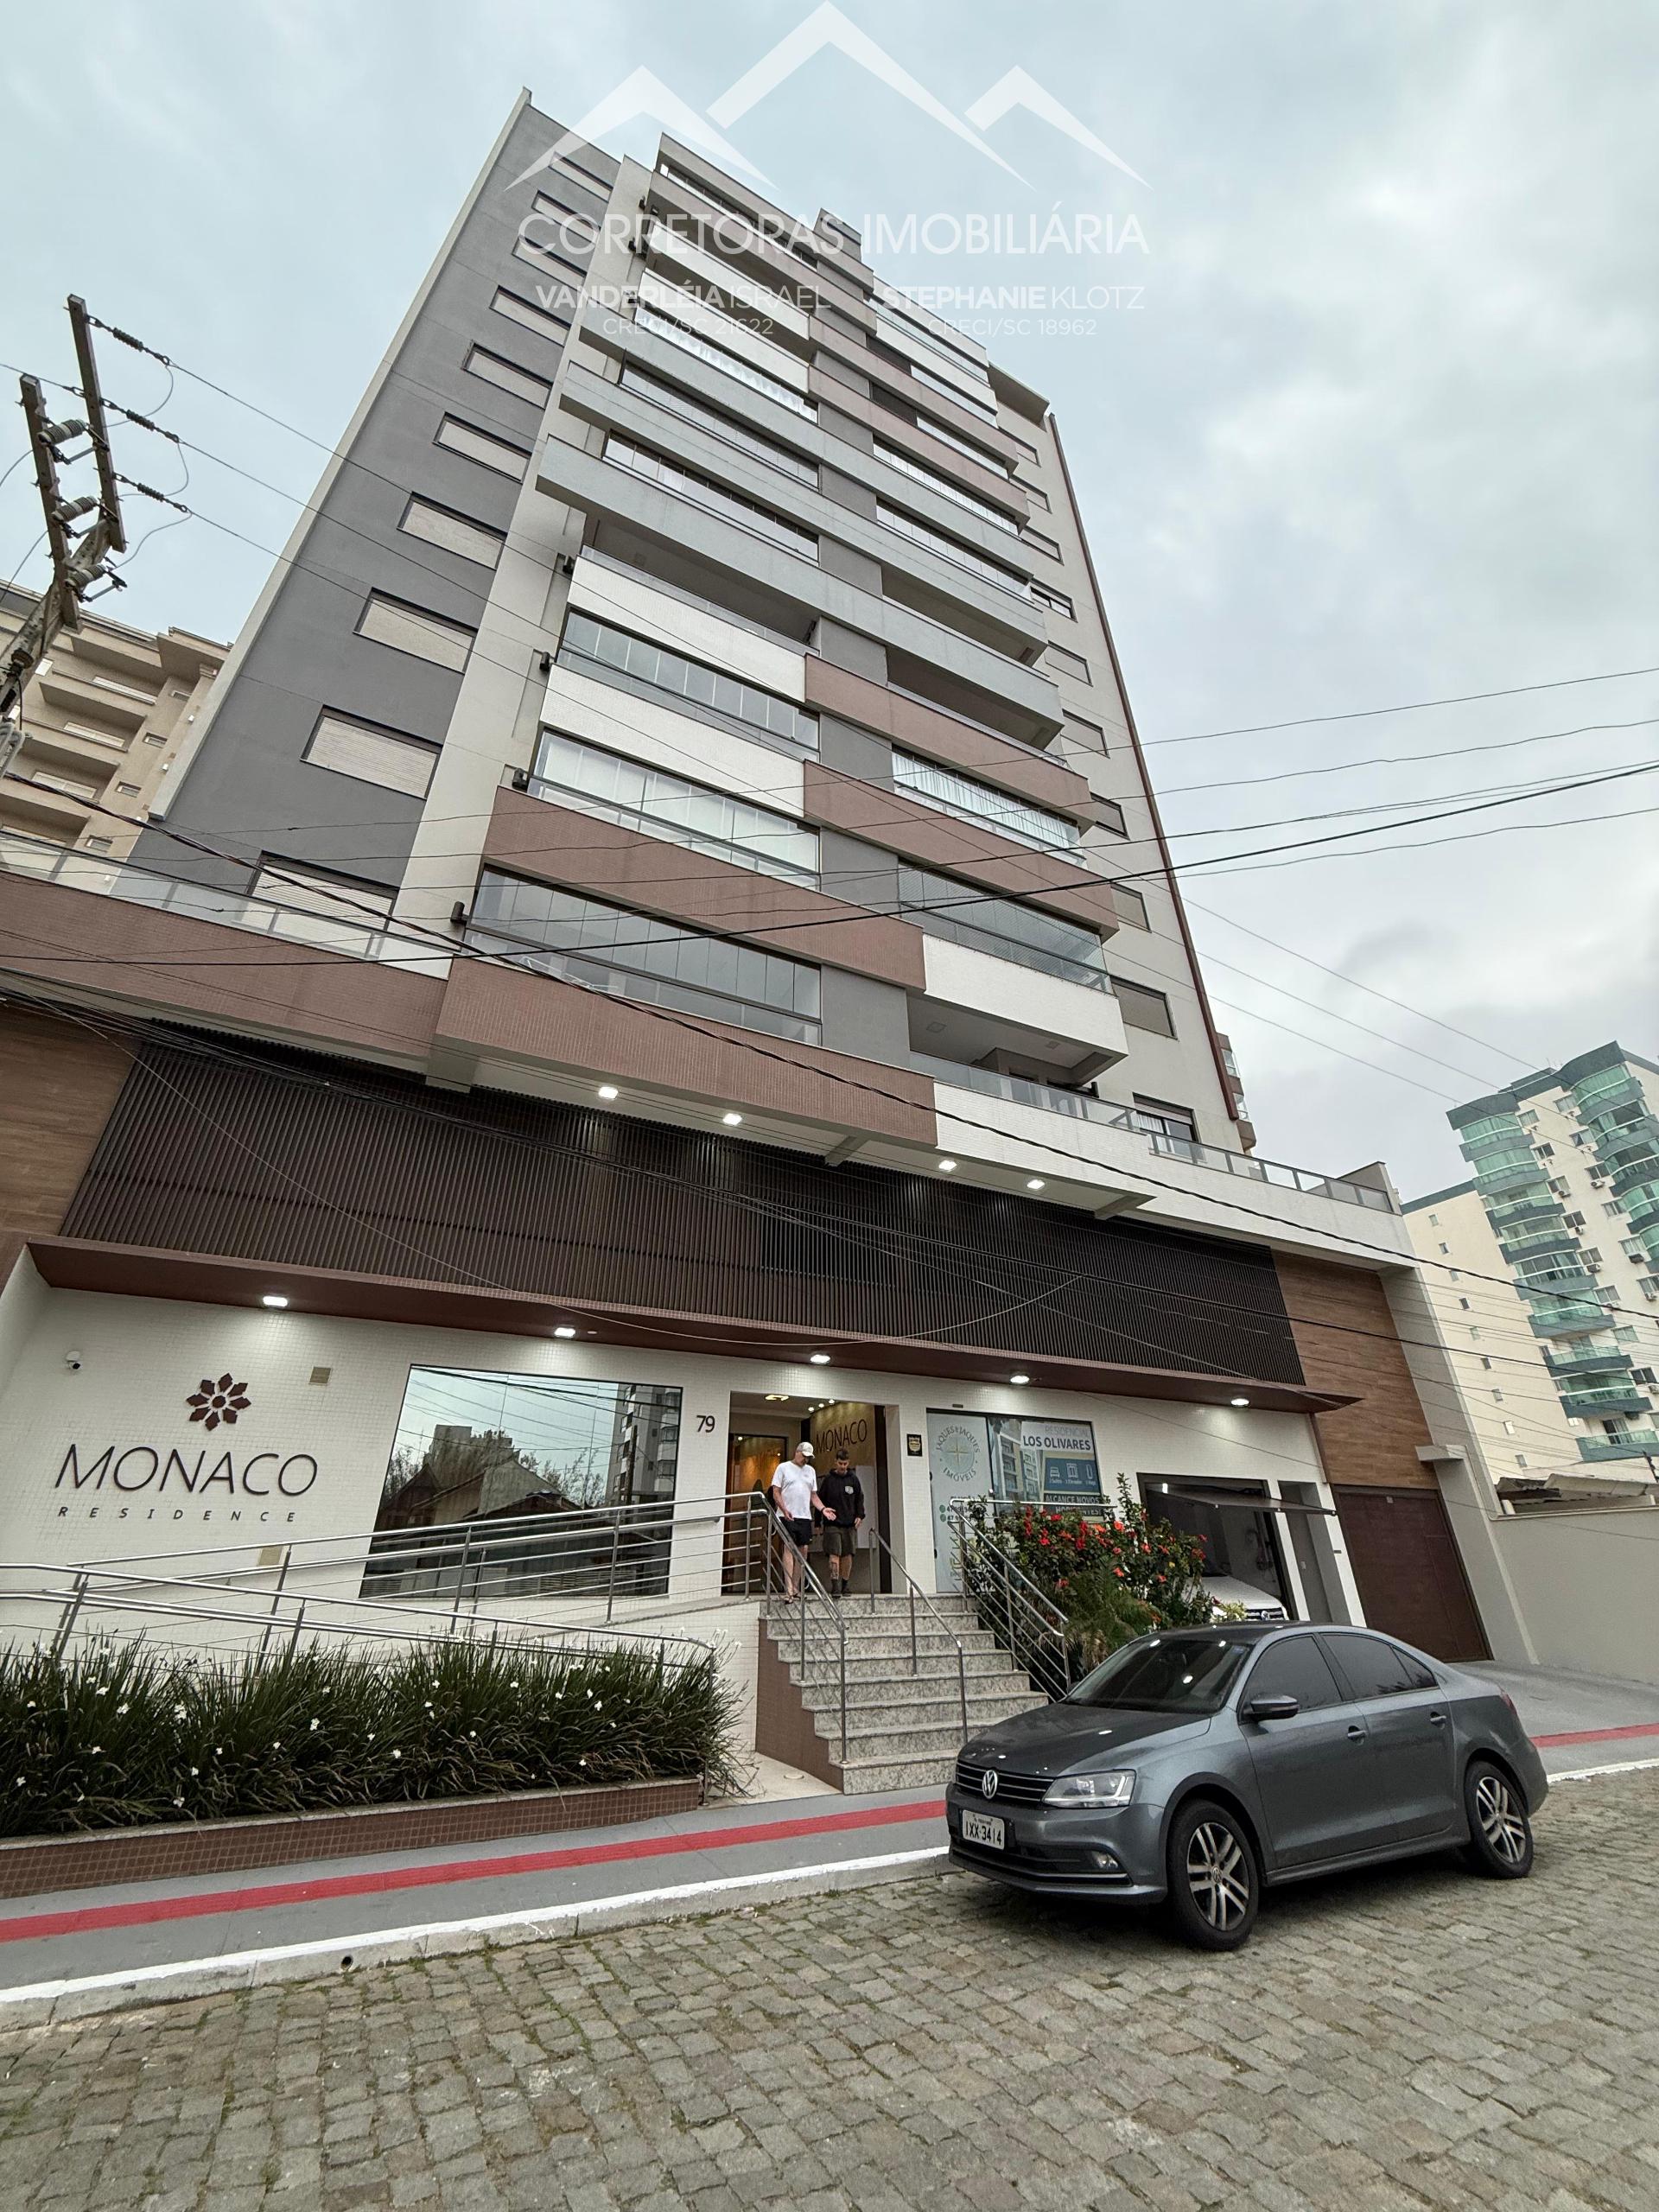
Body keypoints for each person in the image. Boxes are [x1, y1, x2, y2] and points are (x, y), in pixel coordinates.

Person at [769, 1442, 821, 1598]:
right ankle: (789, 1588)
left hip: (804, 1515)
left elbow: (813, 1495)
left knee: (803, 1549)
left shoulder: (810, 1471)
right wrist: (784, 1509)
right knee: (789, 1546)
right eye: (804, 1456)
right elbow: (776, 1491)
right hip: (786, 1514)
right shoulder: (783, 1468)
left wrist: (823, 1509)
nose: (806, 1459)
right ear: (797, 1452)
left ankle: (796, 1585)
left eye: (808, 1457)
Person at [816, 1449, 865, 1598]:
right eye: (840, 1463)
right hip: (832, 1523)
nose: (843, 1466)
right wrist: (817, 1522)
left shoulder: (853, 1479)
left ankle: (845, 1584)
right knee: (834, 1554)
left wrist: (860, 1515)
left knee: (847, 1555)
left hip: (849, 1524)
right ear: (836, 1462)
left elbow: (859, 1499)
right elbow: (819, 1500)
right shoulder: (828, 1480)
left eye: (845, 1464)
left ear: (848, 1463)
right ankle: (835, 1585)